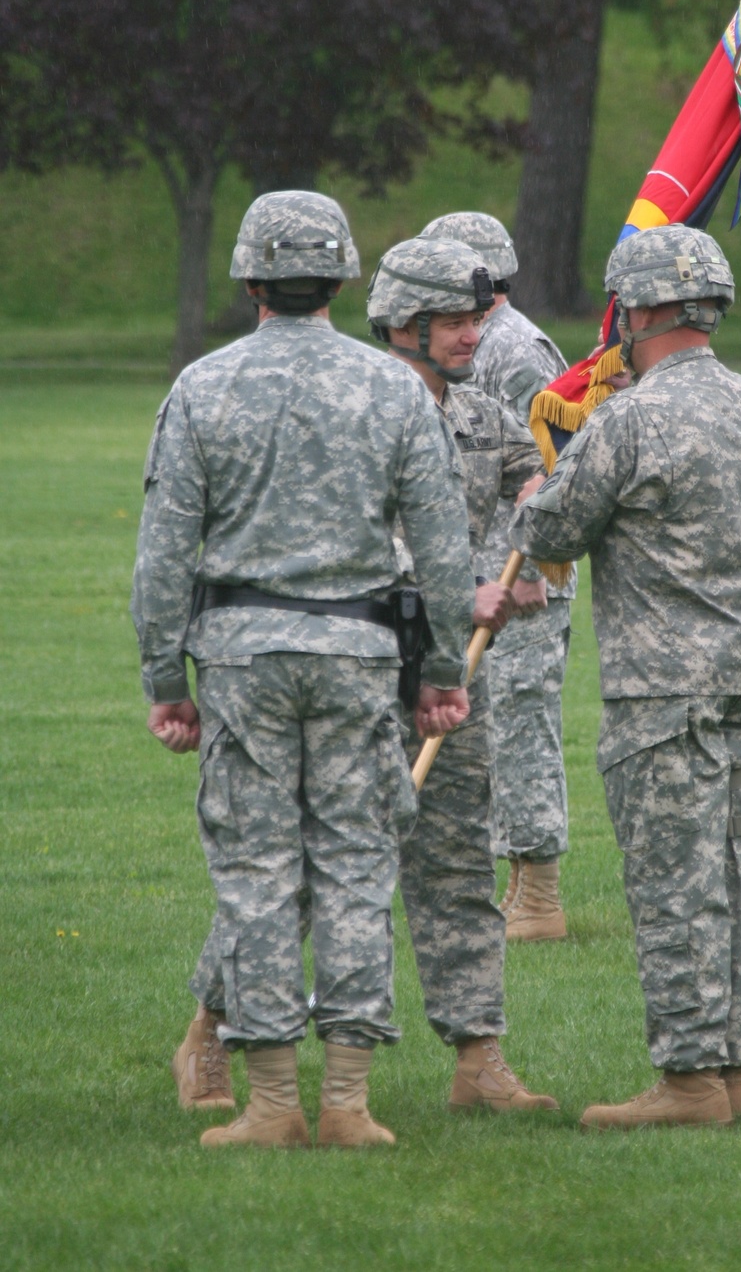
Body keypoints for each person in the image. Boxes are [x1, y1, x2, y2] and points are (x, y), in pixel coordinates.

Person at [133, 191, 475, 1149]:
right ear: (342, 278)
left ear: (249, 280)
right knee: (359, 866)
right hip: (362, 661)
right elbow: (444, 552)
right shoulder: (394, 388)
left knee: (256, 871)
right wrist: (441, 669)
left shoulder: (202, 387)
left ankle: (274, 1103)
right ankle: (350, 1105)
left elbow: (162, 556)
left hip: (243, 664)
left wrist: (167, 680)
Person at [509, 224, 741, 1130]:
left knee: (674, 883)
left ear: (635, 313)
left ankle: (688, 1082)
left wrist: (531, 501)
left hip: (665, 691)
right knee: (735, 874)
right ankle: (733, 1070)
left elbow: (554, 534)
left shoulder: (630, 418)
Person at [366, 236, 559, 1113]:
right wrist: (456, 593)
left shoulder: (483, 414)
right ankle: (214, 1035)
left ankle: (479, 1061)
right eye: (450, 319)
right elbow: (348, 543)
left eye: (476, 316)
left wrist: (539, 509)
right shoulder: (355, 408)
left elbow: (535, 478)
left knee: (455, 872)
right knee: (314, 867)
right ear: (401, 324)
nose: (470, 334)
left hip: (450, 682)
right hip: (361, 674)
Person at [419, 212, 575, 941]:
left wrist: (534, 570)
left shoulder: (515, 350)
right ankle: (502, 883)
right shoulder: (473, 342)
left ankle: (537, 895)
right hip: (477, 577)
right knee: (479, 728)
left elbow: (553, 466)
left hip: (522, 580)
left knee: (519, 726)